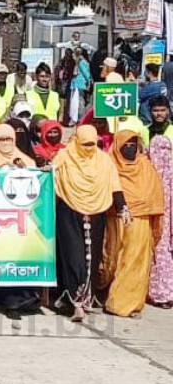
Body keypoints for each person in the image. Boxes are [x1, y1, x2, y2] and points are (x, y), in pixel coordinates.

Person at [52, 125, 121, 322]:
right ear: (77, 141)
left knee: (92, 258)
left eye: (92, 144)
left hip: (97, 212)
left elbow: (114, 185)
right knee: (73, 258)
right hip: (69, 212)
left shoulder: (104, 160)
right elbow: (51, 177)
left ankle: (85, 300)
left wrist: (122, 208)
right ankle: (75, 303)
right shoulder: (64, 157)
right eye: (85, 144)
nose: (89, 148)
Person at [99, 130, 163, 318]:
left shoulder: (145, 165)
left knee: (135, 261)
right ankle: (102, 292)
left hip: (140, 219)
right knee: (112, 259)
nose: (129, 148)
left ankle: (123, 303)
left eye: (133, 145)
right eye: (125, 145)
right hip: (115, 218)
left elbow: (153, 191)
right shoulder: (109, 164)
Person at [147, 135, 173, 308]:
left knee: (160, 256)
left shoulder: (150, 169)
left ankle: (162, 293)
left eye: (166, 151)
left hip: (162, 220)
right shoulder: (145, 169)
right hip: (153, 218)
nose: (162, 155)